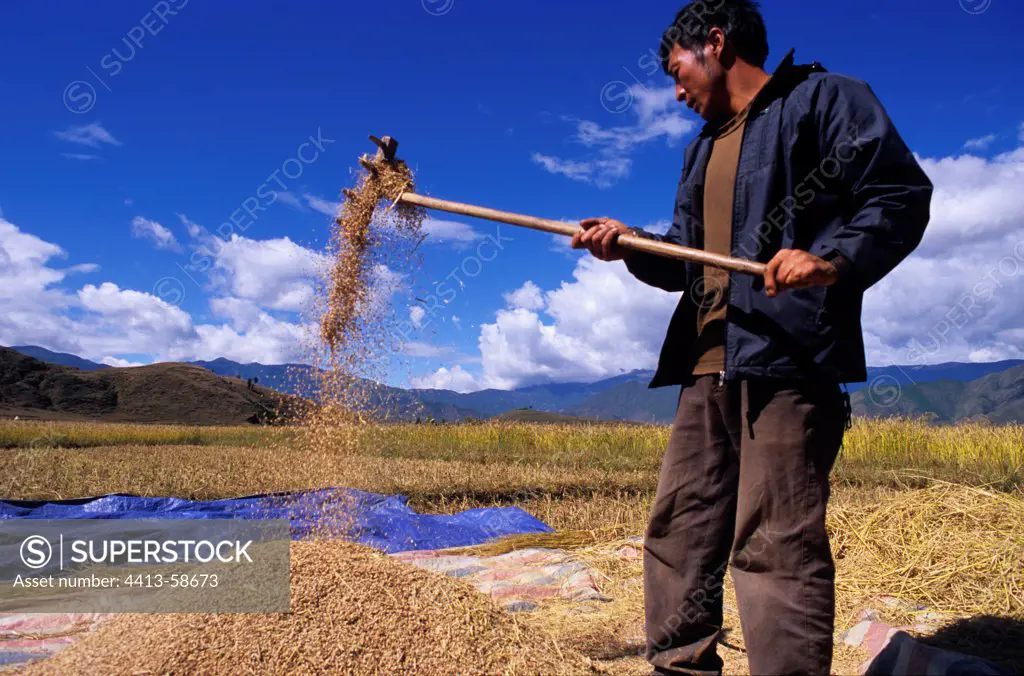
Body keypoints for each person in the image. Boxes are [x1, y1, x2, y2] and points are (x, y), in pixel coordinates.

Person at [572, 1, 933, 674]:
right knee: (679, 534)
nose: (676, 92)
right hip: (705, 364)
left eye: (677, 71)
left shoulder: (823, 100)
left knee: (775, 544)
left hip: (789, 361)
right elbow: (686, 259)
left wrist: (833, 260)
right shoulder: (701, 149)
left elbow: (897, 193)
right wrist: (629, 245)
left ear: (714, 42)